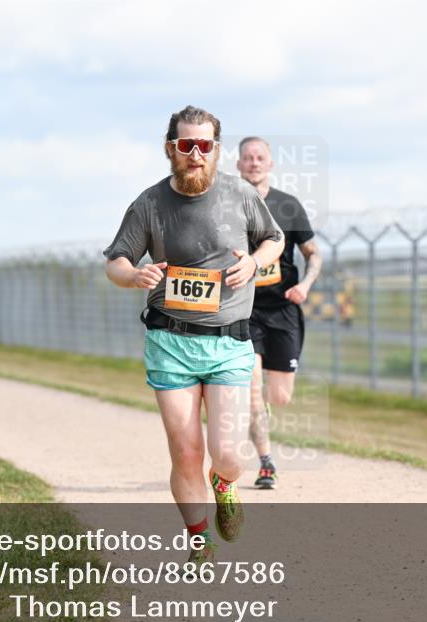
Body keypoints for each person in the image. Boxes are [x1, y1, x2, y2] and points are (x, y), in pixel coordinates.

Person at [104, 106, 284, 563]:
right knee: (186, 452)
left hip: (229, 342)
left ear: (217, 151)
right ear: (171, 149)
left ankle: (224, 484)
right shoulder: (149, 204)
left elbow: (274, 239)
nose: (196, 154)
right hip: (170, 342)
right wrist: (133, 276)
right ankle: (198, 539)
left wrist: (254, 262)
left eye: (205, 146)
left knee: (227, 453)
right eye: (187, 145)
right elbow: (116, 260)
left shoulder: (240, 194)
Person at [236, 137, 323, 489]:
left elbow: (313, 254)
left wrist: (306, 284)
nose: (254, 163)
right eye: (247, 158)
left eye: (260, 158)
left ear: (270, 164)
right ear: (239, 164)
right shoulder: (229, 204)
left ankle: (263, 412)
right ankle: (266, 462)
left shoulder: (288, 206)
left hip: (283, 308)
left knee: (280, 396)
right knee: (253, 389)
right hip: (244, 309)